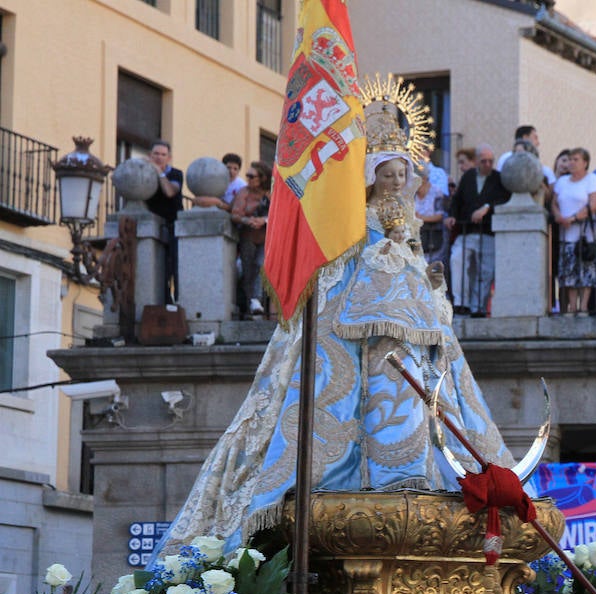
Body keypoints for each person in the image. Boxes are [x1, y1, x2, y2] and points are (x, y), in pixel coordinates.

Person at [155, 101, 514, 555]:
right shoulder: (355, 221)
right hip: (352, 330)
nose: (397, 183)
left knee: (431, 408)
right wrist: (384, 258)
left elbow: (421, 278)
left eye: (402, 175)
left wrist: (428, 279)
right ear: (369, 176)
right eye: (388, 175)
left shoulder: (408, 222)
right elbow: (343, 268)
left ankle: (419, 468)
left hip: (414, 340)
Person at [446, 143, 510, 317]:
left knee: (485, 270)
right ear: (476, 161)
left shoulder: (498, 178)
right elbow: (456, 201)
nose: (488, 164)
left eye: (490, 161)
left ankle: (478, 306)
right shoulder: (467, 177)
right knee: (457, 259)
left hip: (487, 232)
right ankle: (461, 302)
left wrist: (487, 207)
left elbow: (505, 200)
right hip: (466, 231)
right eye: (484, 161)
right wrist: (451, 216)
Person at [551, 148, 596, 318]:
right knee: (569, 272)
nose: (572, 163)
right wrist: (559, 216)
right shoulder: (563, 182)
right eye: (570, 159)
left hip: (585, 234)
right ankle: (572, 306)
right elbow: (554, 202)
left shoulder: (592, 179)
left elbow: (595, 203)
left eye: (576, 159)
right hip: (565, 235)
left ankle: (584, 307)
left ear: (585, 163)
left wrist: (573, 218)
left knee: (586, 270)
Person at [228, 161, 271, 319]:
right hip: (247, 237)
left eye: (252, 176)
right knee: (247, 272)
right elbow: (235, 213)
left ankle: (256, 301)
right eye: (247, 175)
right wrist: (248, 221)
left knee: (261, 265)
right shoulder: (243, 192)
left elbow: (280, 214)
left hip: (265, 238)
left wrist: (264, 220)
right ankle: (250, 307)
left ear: (262, 178)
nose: (248, 178)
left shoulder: (270, 194)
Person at [146, 139, 184, 304]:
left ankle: (178, 302)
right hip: (153, 226)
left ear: (169, 158)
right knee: (157, 270)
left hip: (174, 226)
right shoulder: (144, 173)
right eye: (156, 154)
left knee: (175, 267)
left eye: (163, 155)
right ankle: (164, 302)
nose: (159, 158)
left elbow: (169, 192)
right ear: (150, 155)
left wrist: (159, 173)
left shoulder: (175, 174)